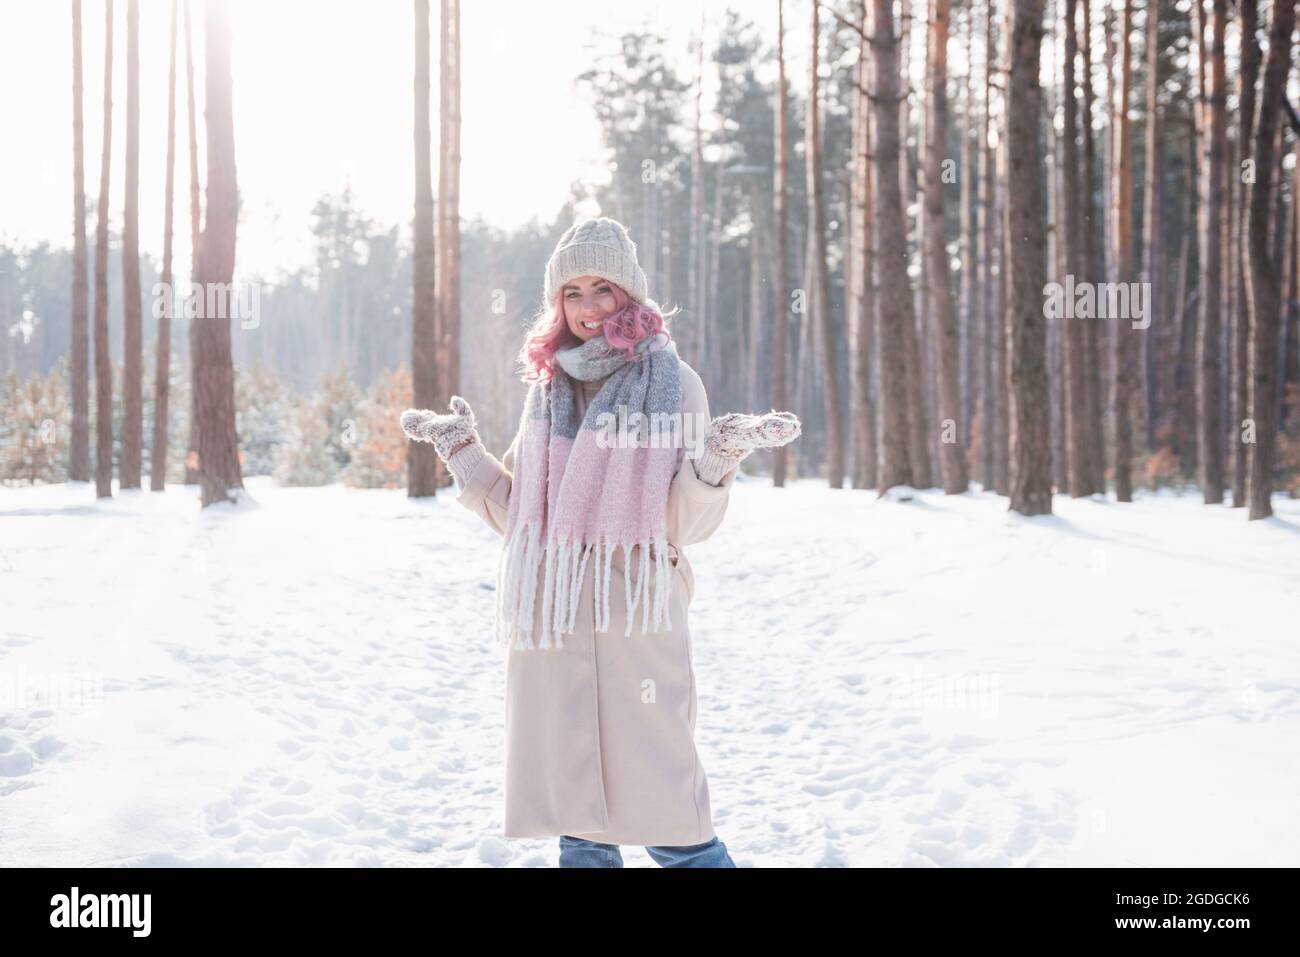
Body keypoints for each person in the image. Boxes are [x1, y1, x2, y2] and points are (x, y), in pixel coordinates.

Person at [401, 216, 800, 867]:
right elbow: (527, 519)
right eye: (573, 293)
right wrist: (462, 451)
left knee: (677, 829)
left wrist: (717, 456)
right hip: (554, 635)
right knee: (581, 827)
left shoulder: (674, 385)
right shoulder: (547, 393)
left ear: (629, 295)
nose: (588, 308)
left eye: (602, 289)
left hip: (634, 627)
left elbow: (682, 526)